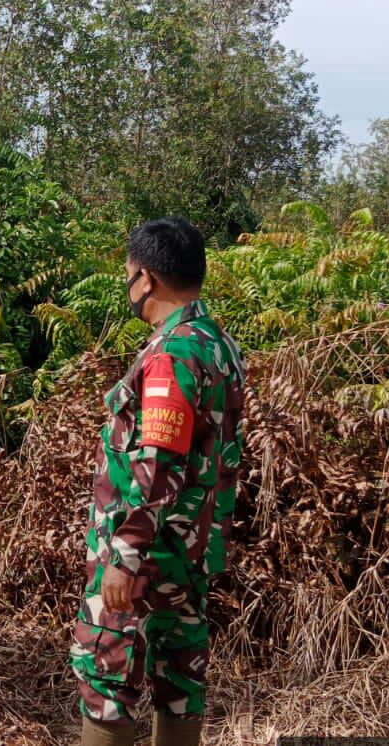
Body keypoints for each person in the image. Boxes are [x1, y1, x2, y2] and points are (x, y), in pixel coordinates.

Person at [70, 217, 247, 746]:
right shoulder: (217, 344)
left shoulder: (172, 353)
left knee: (107, 673)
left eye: (128, 274)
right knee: (179, 677)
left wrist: (125, 549)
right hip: (189, 550)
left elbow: (157, 462)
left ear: (145, 278)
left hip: (145, 555)